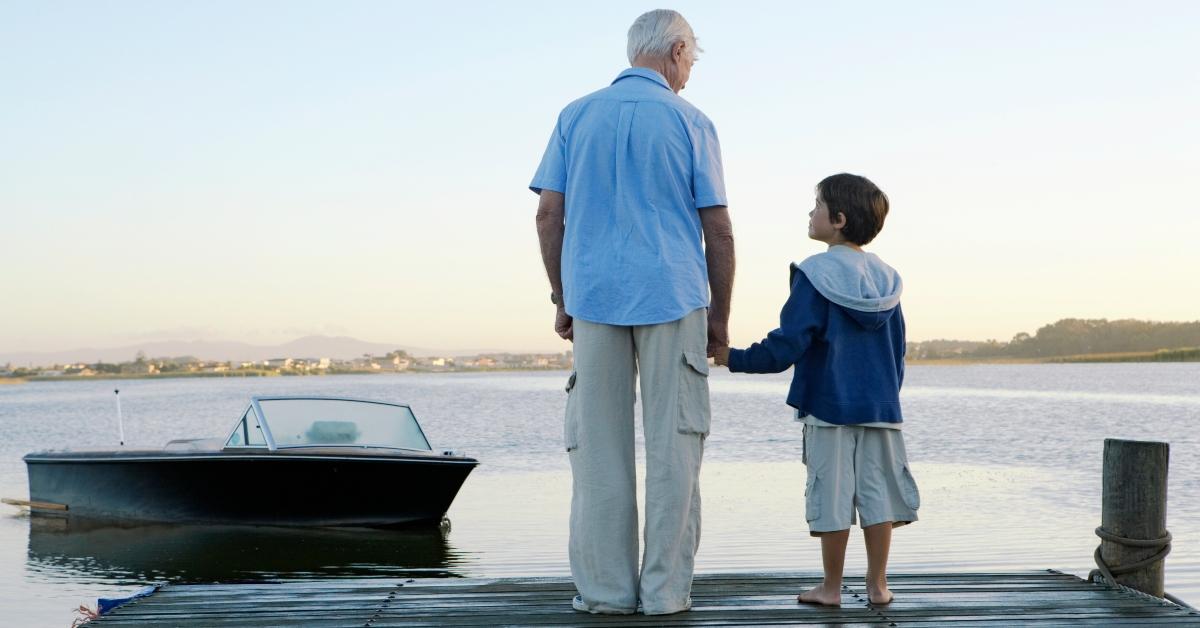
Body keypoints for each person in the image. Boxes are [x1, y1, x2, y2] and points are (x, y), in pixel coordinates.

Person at [530, 9, 734, 616]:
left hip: (593, 297)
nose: (690, 70)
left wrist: (562, 296)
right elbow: (717, 230)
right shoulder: (691, 121)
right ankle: (666, 593)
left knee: (598, 449)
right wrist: (719, 320)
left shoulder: (575, 115)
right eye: (692, 58)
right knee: (675, 448)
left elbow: (548, 215)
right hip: (672, 294)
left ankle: (605, 593)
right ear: (675, 51)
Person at [713, 173, 919, 607]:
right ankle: (878, 586)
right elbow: (897, 352)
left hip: (828, 406)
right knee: (878, 493)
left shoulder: (815, 273)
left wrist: (734, 357)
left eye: (817, 206)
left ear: (839, 219)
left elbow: (789, 344)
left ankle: (830, 588)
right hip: (882, 406)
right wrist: (886, 396)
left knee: (831, 492)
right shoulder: (888, 279)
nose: (810, 213)